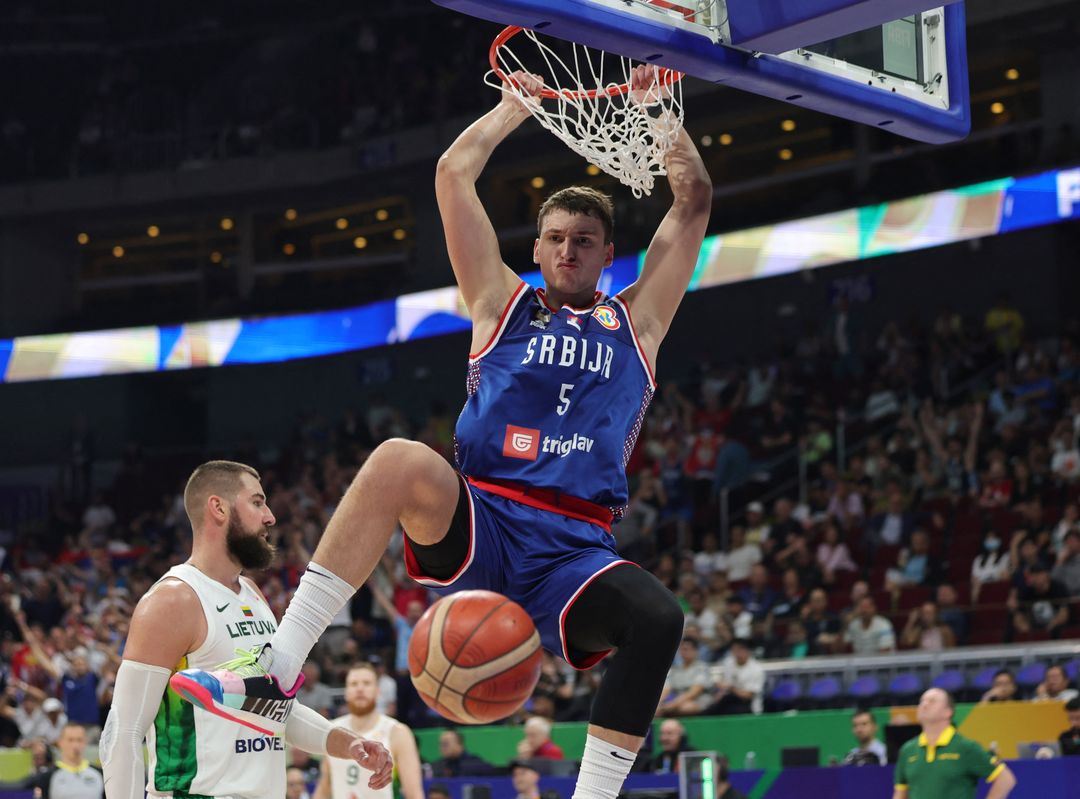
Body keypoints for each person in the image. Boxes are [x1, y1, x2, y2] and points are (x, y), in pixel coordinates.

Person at [173, 66, 712, 799]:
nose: (567, 250)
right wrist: (509, 110)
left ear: (605, 254)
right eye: (554, 237)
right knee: (398, 458)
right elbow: (453, 173)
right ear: (539, 246)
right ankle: (279, 666)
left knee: (658, 617)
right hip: (482, 517)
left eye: (584, 240)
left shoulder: (638, 325)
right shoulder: (500, 302)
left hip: (573, 549)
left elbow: (694, 200)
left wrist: (656, 113)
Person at [103, 461, 392, 799]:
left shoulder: (253, 595)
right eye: (257, 502)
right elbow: (122, 731)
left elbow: (273, 708)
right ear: (218, 508)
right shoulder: (173, 601)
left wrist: (348, 743)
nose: (270, 516)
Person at [314, 662, 422, 799]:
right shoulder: (332, 730)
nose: (360, 689)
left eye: (366, 683)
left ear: (378, 691)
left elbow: (414, 793)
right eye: (354, 684)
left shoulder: (397, 732)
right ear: (346, 692)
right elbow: (324, 787)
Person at [893, 688, 1016, 799]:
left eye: (932, 701)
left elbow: (1005, 779)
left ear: (948, 711)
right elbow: (900, 793)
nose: (924, 704)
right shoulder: (908, 750)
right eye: (922, 701)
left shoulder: (965, 747)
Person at [30, 722, 102, 799]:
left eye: (79, 740)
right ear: (60, 742)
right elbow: (19, 786)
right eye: (70, 740)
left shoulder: (99, 774)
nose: (75, 745)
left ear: (85, 742)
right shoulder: (47, 776)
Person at [657, 638, 712, 717]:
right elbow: (666, 689)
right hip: (677, 701)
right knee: (655, 710)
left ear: (695, 651)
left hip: (699, 700)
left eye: (686, 649)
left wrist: (672, 705)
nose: (683, 652)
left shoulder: (702, 668)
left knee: (686, 708)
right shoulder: (675, 669)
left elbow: (694, 692)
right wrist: (658, 704)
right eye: (682, 649)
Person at [709, 639, 764, 715]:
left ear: (748, 651)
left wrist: (730, 688)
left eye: (740, 650)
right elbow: (723, 682)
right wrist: (720, 691)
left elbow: (748, 696)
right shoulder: (728, 662)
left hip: (748, 705)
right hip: (728, 700)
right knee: (710, 708)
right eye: (734, 650)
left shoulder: (756, 669)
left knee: (729, 708)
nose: (737, 653)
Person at [430, 729, 495, 777]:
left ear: (459, 744)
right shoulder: (436, 766)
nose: (442, 748)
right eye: (440, 744)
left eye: (445, 744)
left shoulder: (476, 764)